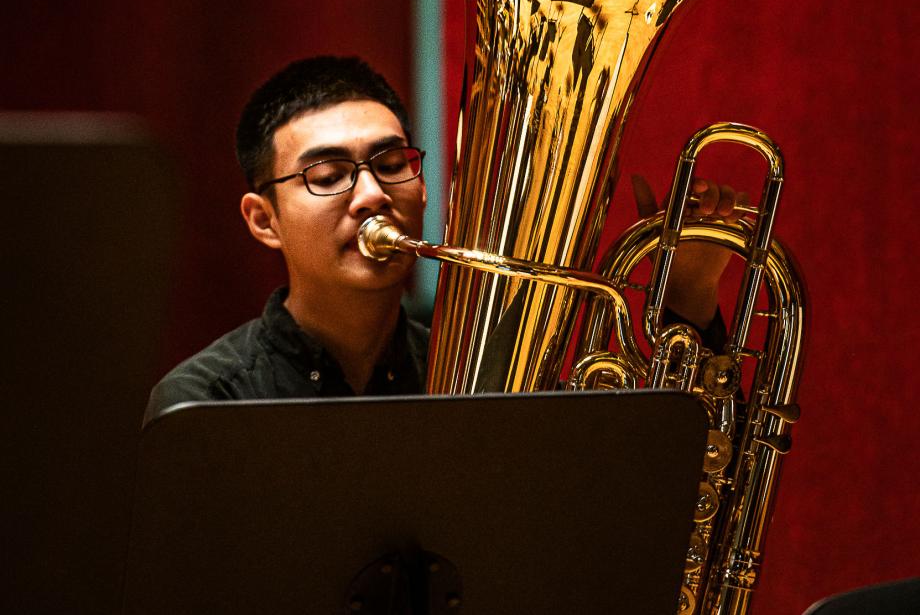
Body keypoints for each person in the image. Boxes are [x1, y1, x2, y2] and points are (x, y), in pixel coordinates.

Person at [145, 54, 736, 420]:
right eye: (328, 176)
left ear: (424, 189)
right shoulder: (205, 404)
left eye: (394, 163)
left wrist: (688, 301)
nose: (373, 194)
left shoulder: (491, 386)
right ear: (263, 220)